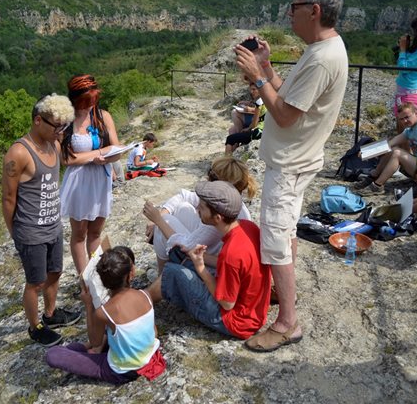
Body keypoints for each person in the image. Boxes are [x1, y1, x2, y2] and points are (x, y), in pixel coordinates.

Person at [234, 0, 348, 352]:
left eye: (294, 6)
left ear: (314, 10)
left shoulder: (321, 58)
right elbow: (289, 97)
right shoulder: (322, 48)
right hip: (298, 158)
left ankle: (287, 324)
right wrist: (267, 66)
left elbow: (281, 115)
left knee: (276, 239)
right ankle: (285, 297)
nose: (289, 12)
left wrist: (257, 76)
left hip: (290, 163)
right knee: (287, 232)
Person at [2, 94, 82, 347]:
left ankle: (50, 314)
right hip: (30, 231)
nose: (61, 131)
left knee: (55, 272)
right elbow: (7, 198)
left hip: (53, 226)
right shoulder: (18, 153)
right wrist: (15, 233)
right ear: (38, 120)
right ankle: (35, 326)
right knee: (35, 282)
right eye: (57, 126)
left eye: (64, 126)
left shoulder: (54, 145)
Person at [146, 180, 271, 339]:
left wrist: (201, 269)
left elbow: (227, 303)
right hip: (254, 312)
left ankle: (138, 304)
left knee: (171, 272)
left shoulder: (231, 253)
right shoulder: (247, 226)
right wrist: (200, 257)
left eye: (202, 208)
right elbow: (237, 266)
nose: (197, 209)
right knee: (180, 255)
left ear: (217, 217)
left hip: (234, 321)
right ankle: (148, 297)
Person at [46, 246, 165, 384]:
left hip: (121, 371)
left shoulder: (104, 312)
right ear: (131, 273)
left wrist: (89, 305)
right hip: (150, 355)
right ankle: (82, 348)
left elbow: (96, 342)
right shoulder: (145, 295)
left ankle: (83, 347)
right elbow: (154, 332)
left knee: (53, 354)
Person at [143, 157, 257, 274]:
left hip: (210, 267)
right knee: (183, 208)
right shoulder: (230, 203)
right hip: (211, 253)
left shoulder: (219, 215)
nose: (207, 179)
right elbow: (184, 196)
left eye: (211, 177)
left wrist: (158, 220)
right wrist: (160, 216)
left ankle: (162, 278)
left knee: (165, 223)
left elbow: (188, 246)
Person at [60, 75, 121, 274]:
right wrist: (98, 153)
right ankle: (83, 277)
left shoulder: (103, 116)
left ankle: (96, 274)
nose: (91, 105)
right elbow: (66, 159)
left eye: (94, 100)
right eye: (87, 102)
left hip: (100, 178)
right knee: (79, 234)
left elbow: (116, 149)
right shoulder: (65, 122)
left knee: (95, 232)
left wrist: (107, 157)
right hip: (79, 182)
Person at [354, 102, 417, 193]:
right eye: (401, 119)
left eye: (407, 117)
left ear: (416, 113)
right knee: (392, 149)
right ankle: (373, 176)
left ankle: (377, 185)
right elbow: (391, 143)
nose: (404, 121)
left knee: (397, 153)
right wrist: (367, 152)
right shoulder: (409, 130)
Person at [225, 86, 267, 155]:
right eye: (251, 89)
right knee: (232, 131)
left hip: (258, 132)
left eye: (254, 89)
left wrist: (248, 129)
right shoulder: (268, 100)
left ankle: (226, 161)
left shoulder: (259, 102)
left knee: (230, 139)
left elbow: (254, 123)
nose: (251, 92)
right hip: (265, 131)